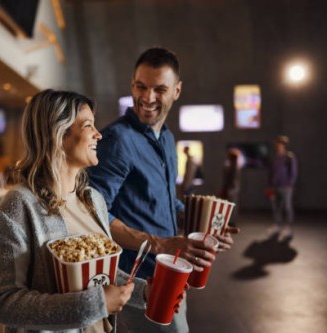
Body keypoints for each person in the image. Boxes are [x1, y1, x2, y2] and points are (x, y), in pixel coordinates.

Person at [88, 47, 239, 333]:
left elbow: (166, 201)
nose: (148, 98)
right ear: (132, 84)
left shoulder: (168, 138)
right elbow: (93, 214)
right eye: (141, 87)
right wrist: (161, 244)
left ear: (177, 91)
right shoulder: (117, 139)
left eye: (160, 89)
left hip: (171, 273)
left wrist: (207, 227)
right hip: (136, 281)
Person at [0, 89, 150, 333]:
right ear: (59, 134)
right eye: (88, 126)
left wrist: (146, 291)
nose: (99, 135)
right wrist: (94, 304)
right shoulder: (19, 205)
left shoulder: (93, 200)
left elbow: (99, 275)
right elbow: (4, 304)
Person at [267, 135, 298, 240]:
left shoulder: (289, 157)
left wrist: (290, 184)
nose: (278, 146)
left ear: (284, 145)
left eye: (280, 144)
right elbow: (272, 172)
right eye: (277, 144)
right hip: (276, 187)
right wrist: (270, 185)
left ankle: (288, 227)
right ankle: (277, 225)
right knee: (276, 207)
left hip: (286, 187)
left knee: (287, 207)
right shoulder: (275, 158)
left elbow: (293, 172)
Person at [219, 148, 242, 226]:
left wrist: (230, 189)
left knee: (232, 205)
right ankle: (230, 221)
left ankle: (232, 222)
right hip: (231, 188)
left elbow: (232, 179)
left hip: (232, 189)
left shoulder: (234, 166)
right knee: (231, 205)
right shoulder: (232, 165)